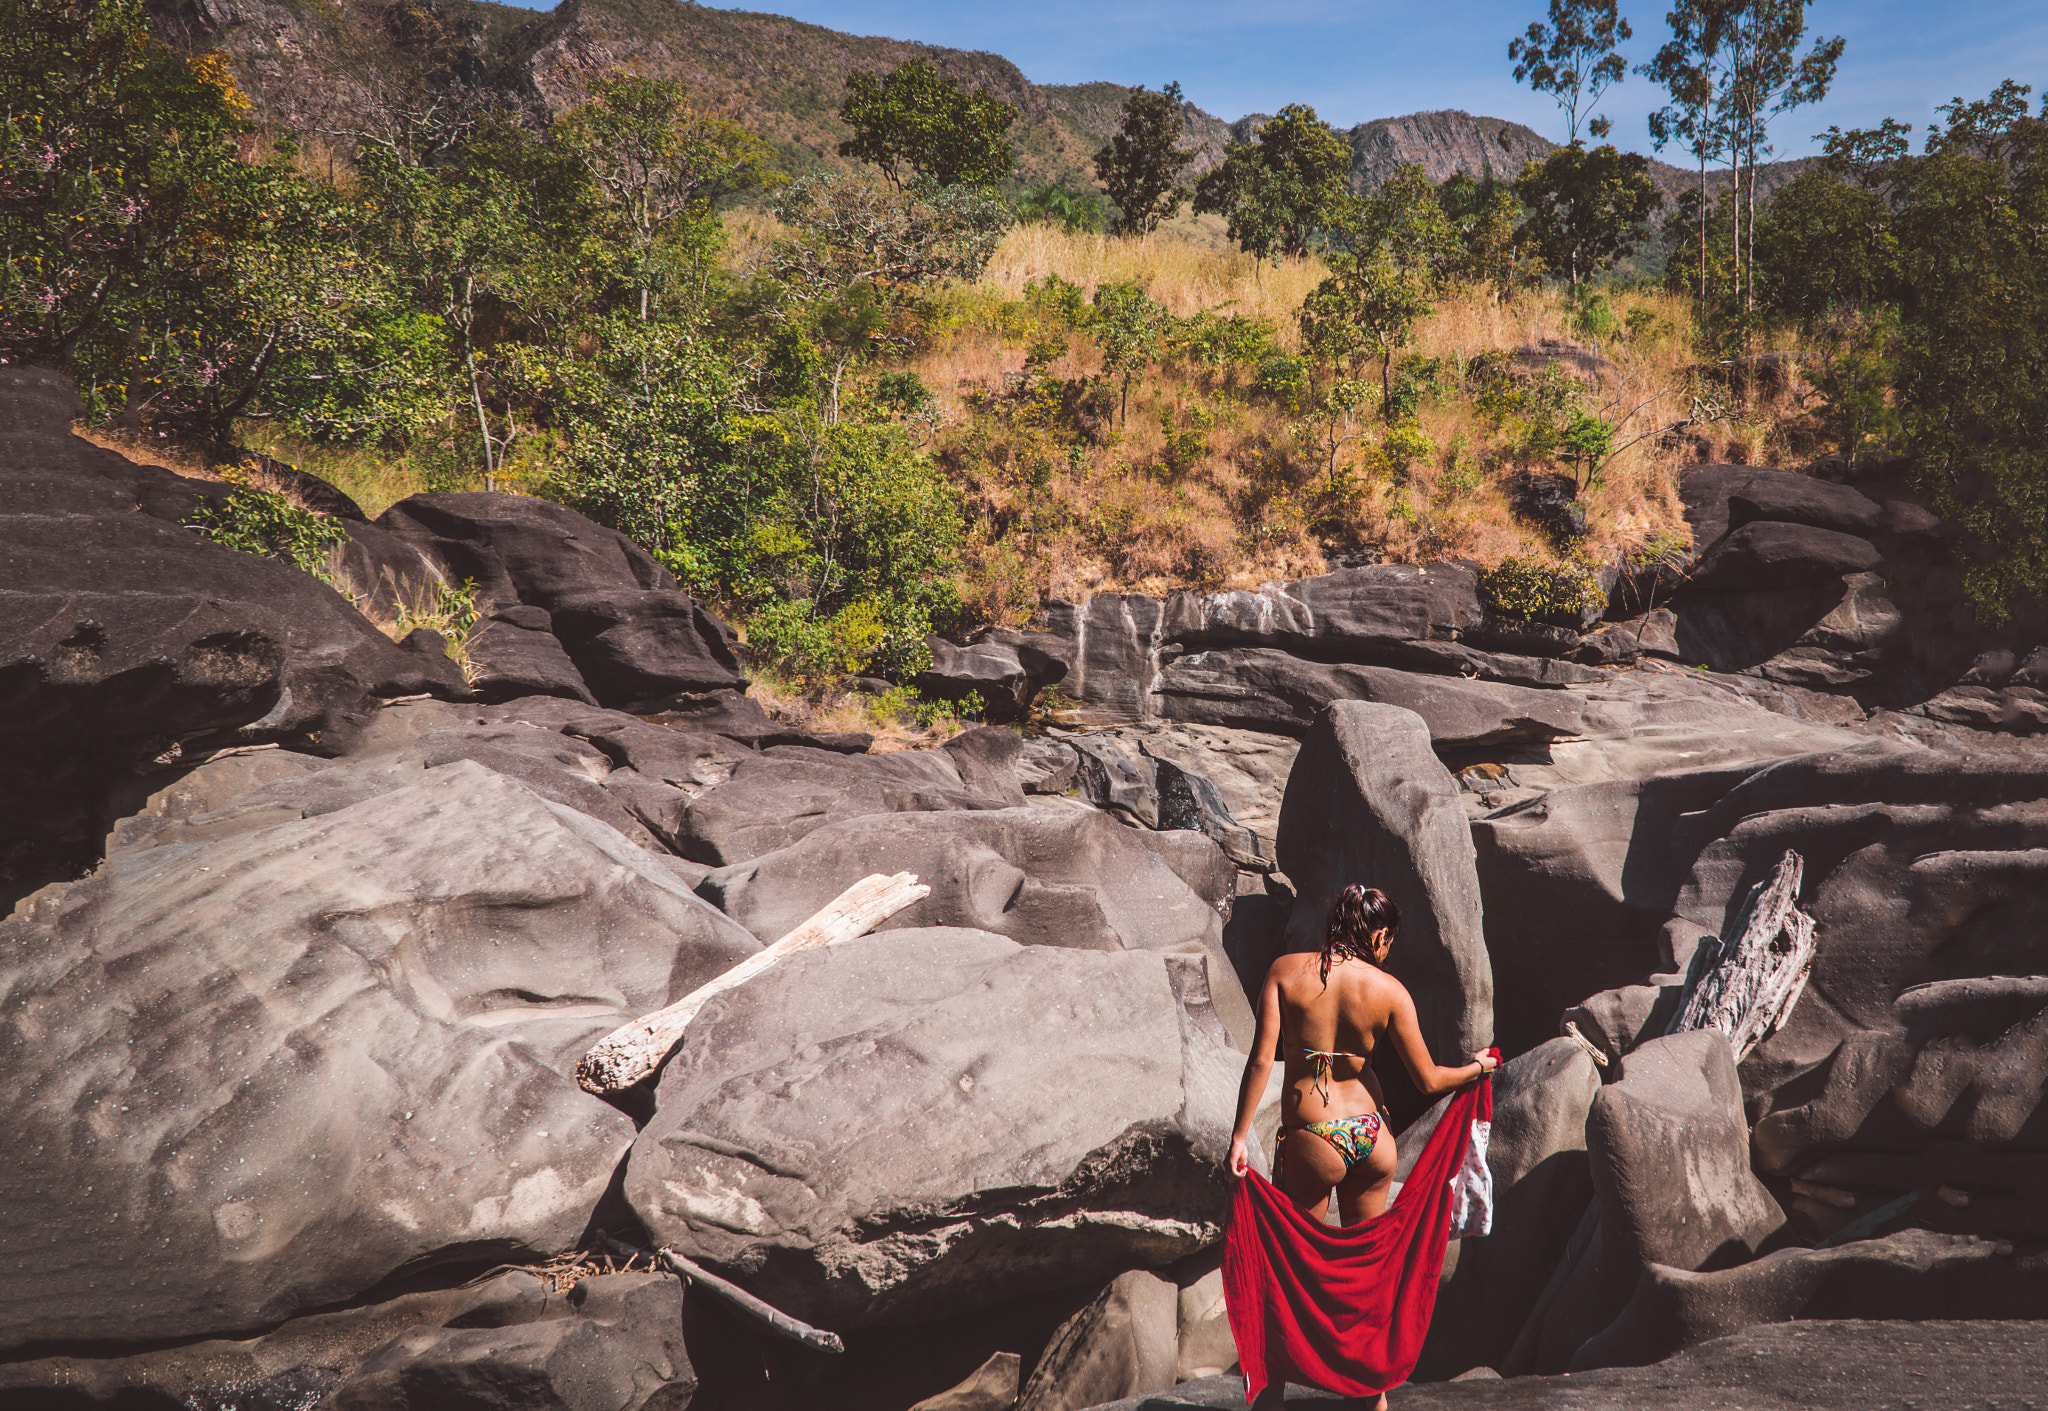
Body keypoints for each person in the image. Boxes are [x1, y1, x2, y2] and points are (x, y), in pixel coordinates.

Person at [1228, 884, 1498, 1228]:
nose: (1386, 952)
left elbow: (1261, 1062)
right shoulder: (1391, 992)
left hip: (1314, 1134)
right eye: (1388, 943)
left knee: (1301, 1256)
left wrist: (1239, 1138)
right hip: (1372, 1134)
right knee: (1362, 1256)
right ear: (1380, 935)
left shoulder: (1284, 971)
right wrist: (1478, 1067)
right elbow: (1429, 1080)